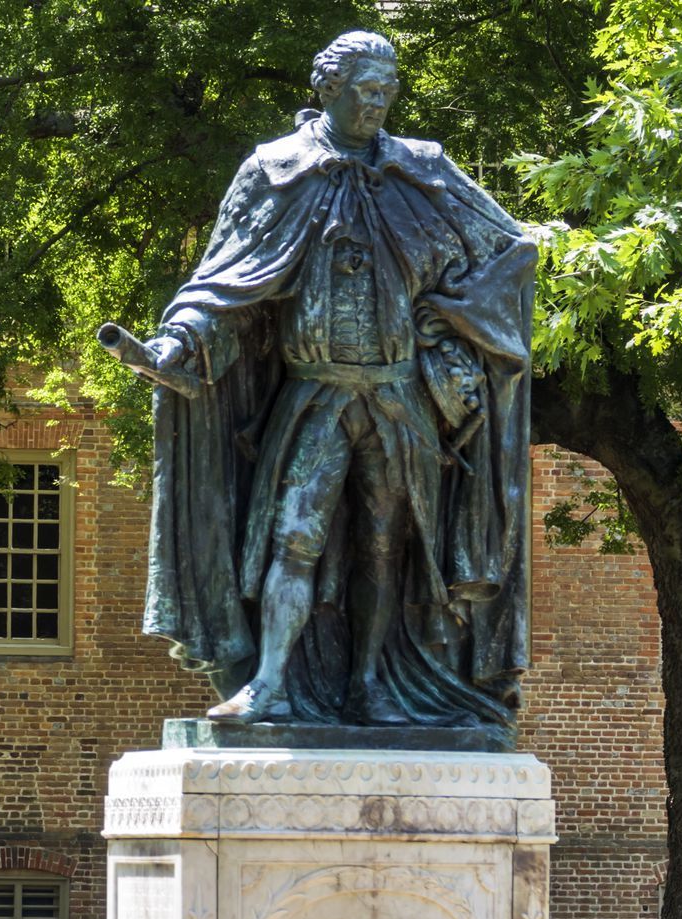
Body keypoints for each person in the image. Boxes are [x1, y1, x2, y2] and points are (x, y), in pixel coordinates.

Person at [114, 30, 533, 732]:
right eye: (366, 88)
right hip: (315, 395)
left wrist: (447, 315)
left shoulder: (422, 169)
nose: (379, 101)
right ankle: (271, 683)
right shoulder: (278, 170)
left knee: (384, 546)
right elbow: (222, 282)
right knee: (295, 536)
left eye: (388, 89)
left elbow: (511, 251)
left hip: (401, 397)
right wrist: (177, 342)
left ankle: (371, 683)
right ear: (328, 88)